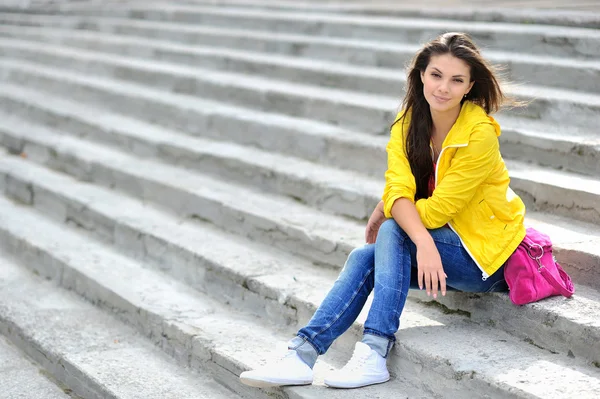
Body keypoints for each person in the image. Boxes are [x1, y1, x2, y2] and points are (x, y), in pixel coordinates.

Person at [239, 32, 526, 390]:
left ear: (469, 87)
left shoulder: (479, 134)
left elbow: (436, 211)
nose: (443, 88)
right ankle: (301, 355)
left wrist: (407, 227)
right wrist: (396, 208)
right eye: (436, 75)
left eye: (456, 80)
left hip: (484, 257)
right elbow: (398, 188)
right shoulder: (408, 123)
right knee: (364, 257)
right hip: (441, 246)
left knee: (393, 231)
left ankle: (374, 351)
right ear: (421, 74)